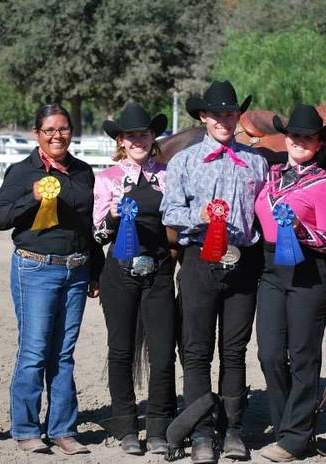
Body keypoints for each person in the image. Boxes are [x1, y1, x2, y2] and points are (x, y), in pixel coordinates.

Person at [161, 80, 268, 463]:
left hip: (242, 261)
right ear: (203, 117)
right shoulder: (183, 162)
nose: (224, 120)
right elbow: (170, 214)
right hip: (198, 263)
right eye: (216, 114)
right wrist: (200, 216)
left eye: (230, 113)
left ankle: (234, 429)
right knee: (196, 351)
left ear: (237, 116)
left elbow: (265, 216)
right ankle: (202, 432)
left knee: (235, 351)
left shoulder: (257, 163)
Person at [0, 104, 105, 455]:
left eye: (64, 129)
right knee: (35, 352)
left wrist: (95, 269)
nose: (58, 135)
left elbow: (88, 225)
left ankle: (62, 429)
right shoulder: (22, 172)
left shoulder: (84, 172)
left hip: (76, 269)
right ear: (37, 133)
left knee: (64, 354)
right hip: (36, 269)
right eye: (50, 130)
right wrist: (33, 197)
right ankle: (26, 429)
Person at [254, 105, 326, 462]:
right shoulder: (270, 175)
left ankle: (295, 437)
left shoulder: (325, 183)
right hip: (270, 272)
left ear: (317, 144)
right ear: (286, 139)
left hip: (308, 273)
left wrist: (300, 230)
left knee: (302, 356)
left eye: (308, 138)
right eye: (295, 136)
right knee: (268, 354)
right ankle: (287, 428)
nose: (299, 142)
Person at [93, 104, 177, 456]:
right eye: (132, 136)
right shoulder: (106, 179)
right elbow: (97, 236)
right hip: (120, 274)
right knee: (121, 350)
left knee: (162, 353)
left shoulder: (169, 175)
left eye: (144, 134)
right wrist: (112, 218)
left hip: (158, 272)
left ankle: (158, 426)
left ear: (152, 137)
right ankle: (126, 426)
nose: (139, 140)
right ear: (122, 141)